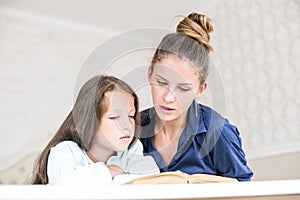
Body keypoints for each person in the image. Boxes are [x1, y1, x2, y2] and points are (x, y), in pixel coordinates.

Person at [140, 12, 253, 181]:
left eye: (183, 89)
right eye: (162, 83)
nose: (169, 98)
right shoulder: (134, 126)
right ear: (150, 74)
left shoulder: (218, 132)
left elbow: (245, 190)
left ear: (200, 90)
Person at [31, 75, 159, 185]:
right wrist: (109, 172)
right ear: (89, 121)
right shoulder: (66, 151)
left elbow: (150, 178)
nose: (127, 125)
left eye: (131, 116)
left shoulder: (131, 150)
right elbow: (66, 182)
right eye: (115, 117)